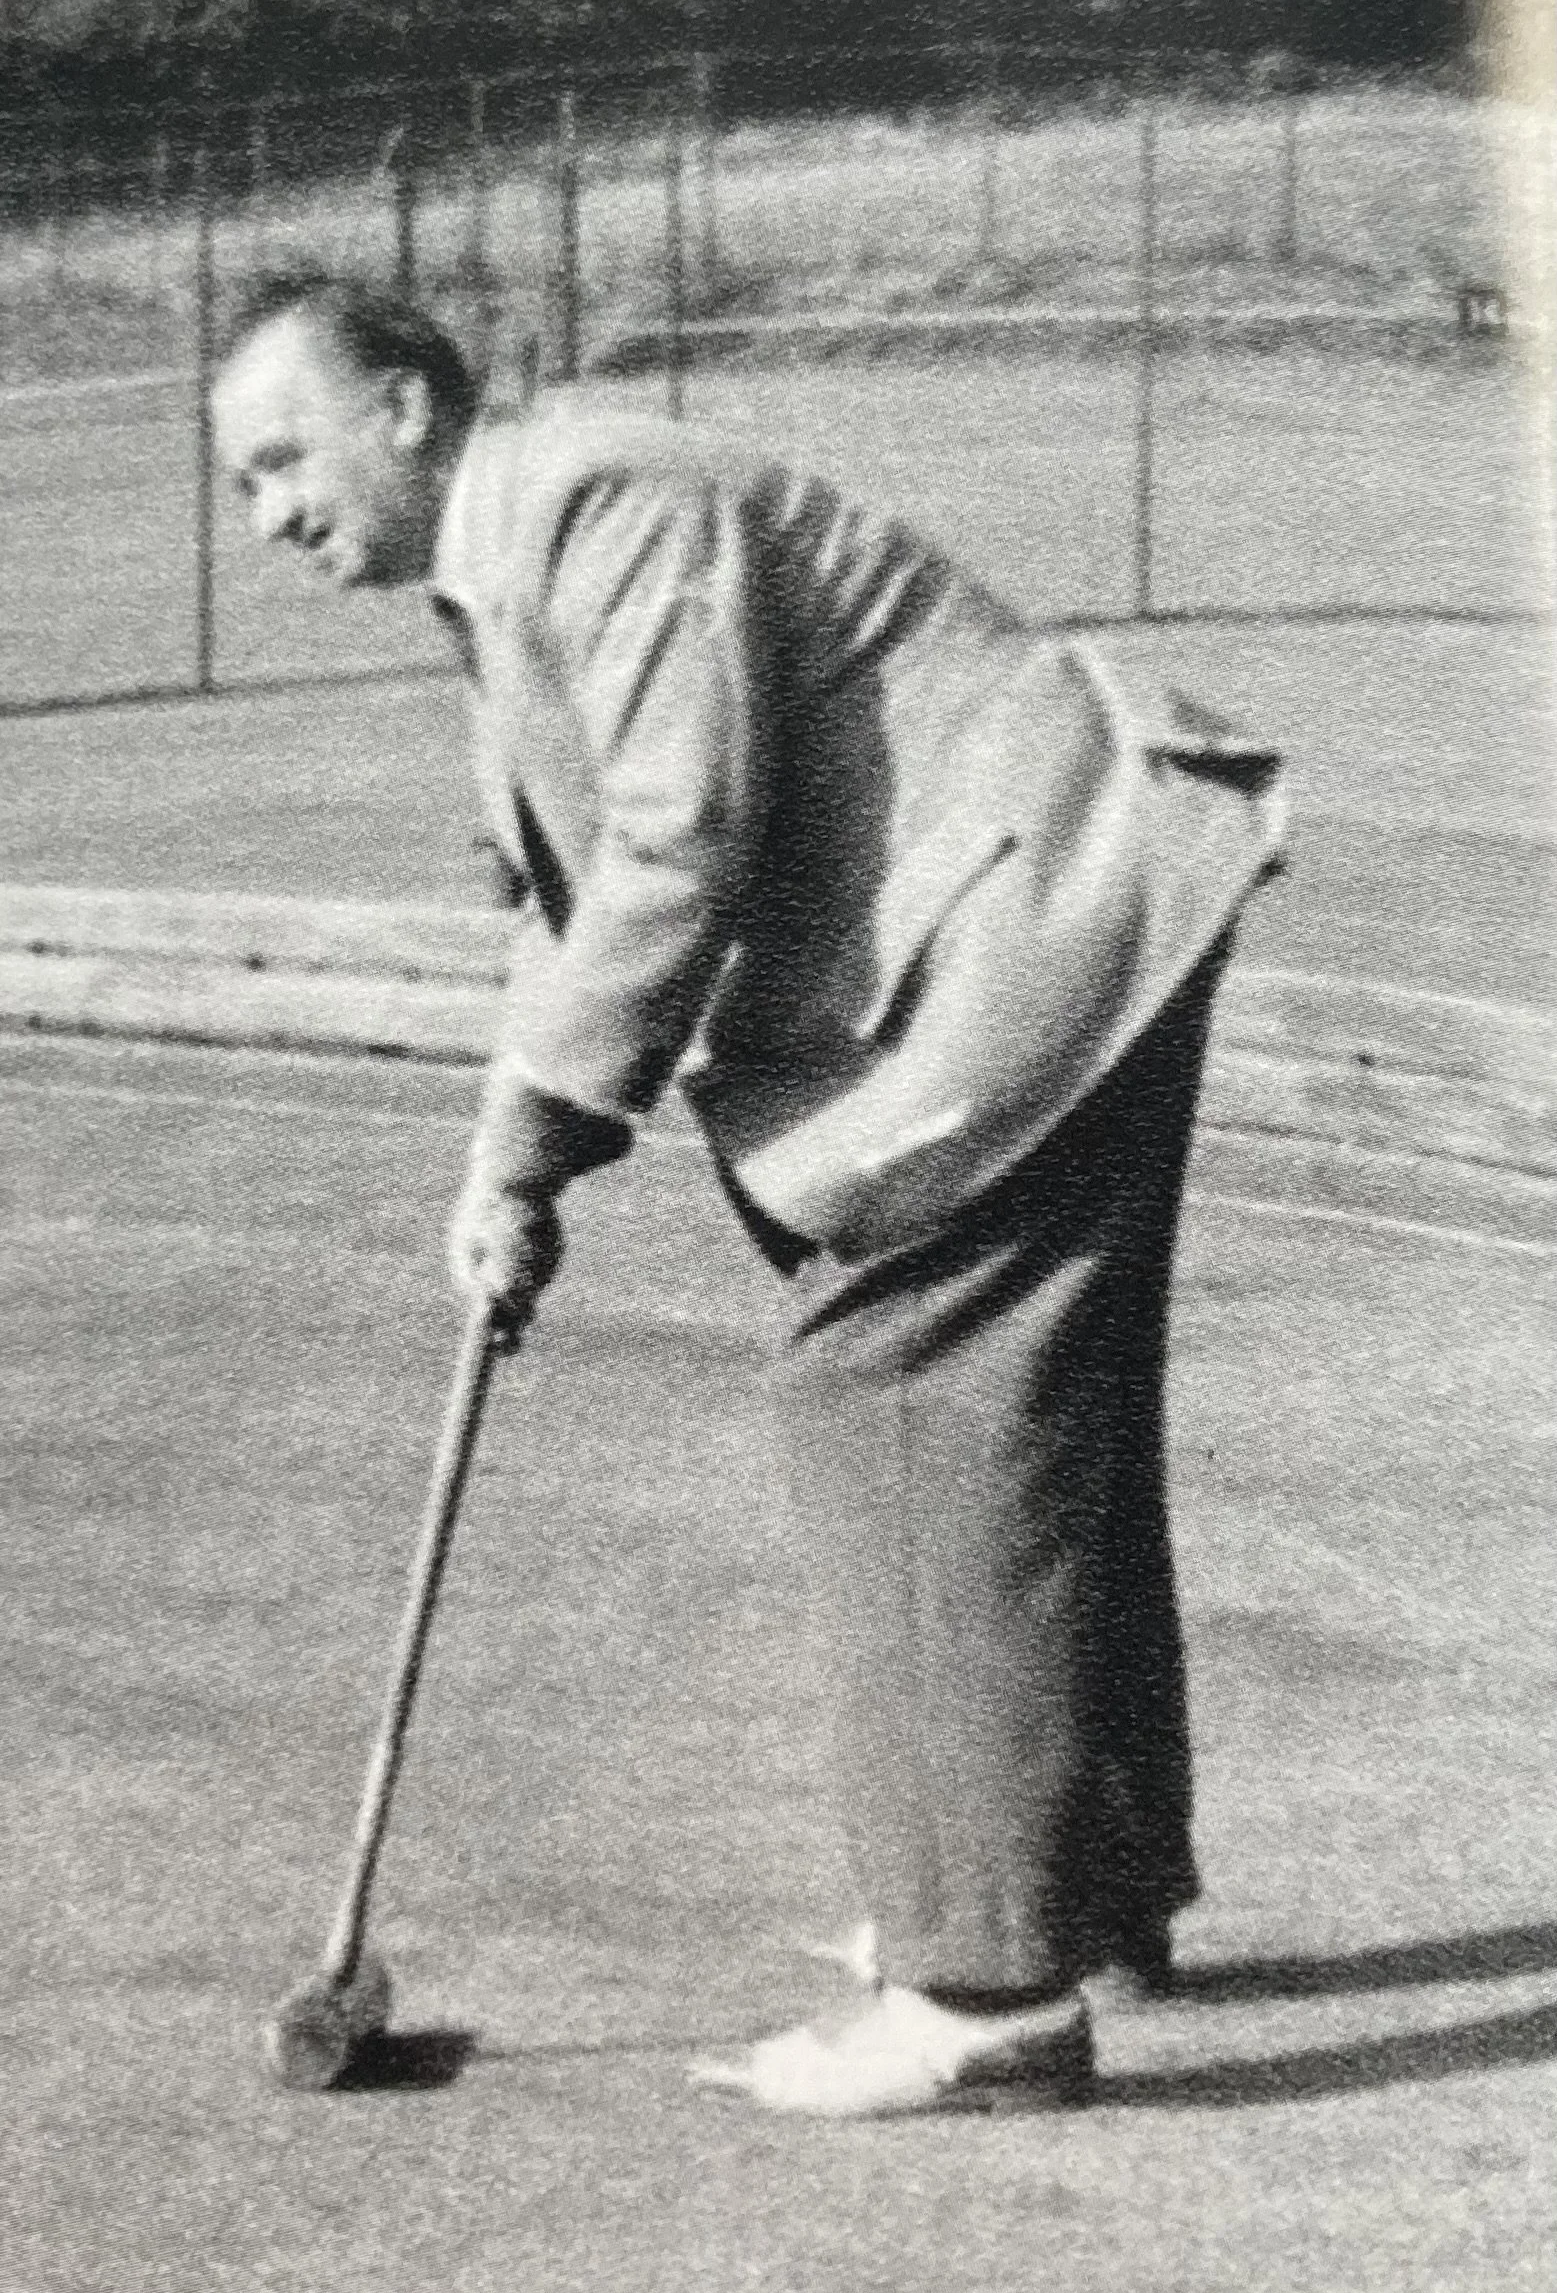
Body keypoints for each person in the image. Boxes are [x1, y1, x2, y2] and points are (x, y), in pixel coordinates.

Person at [211, 270, 1285, 2119]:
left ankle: (985, 1995)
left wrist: (529, 1138)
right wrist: (521, 1157)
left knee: (896, 1385)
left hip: (1036, 917)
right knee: (1027, 1405)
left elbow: (679, 832)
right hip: (1042, 920)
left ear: (404, 405)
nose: (272, 517)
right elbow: (592, 888)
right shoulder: (517, 559)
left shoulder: (593, 498)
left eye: (285, 459)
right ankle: (1068, 1897)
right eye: (241, 489)